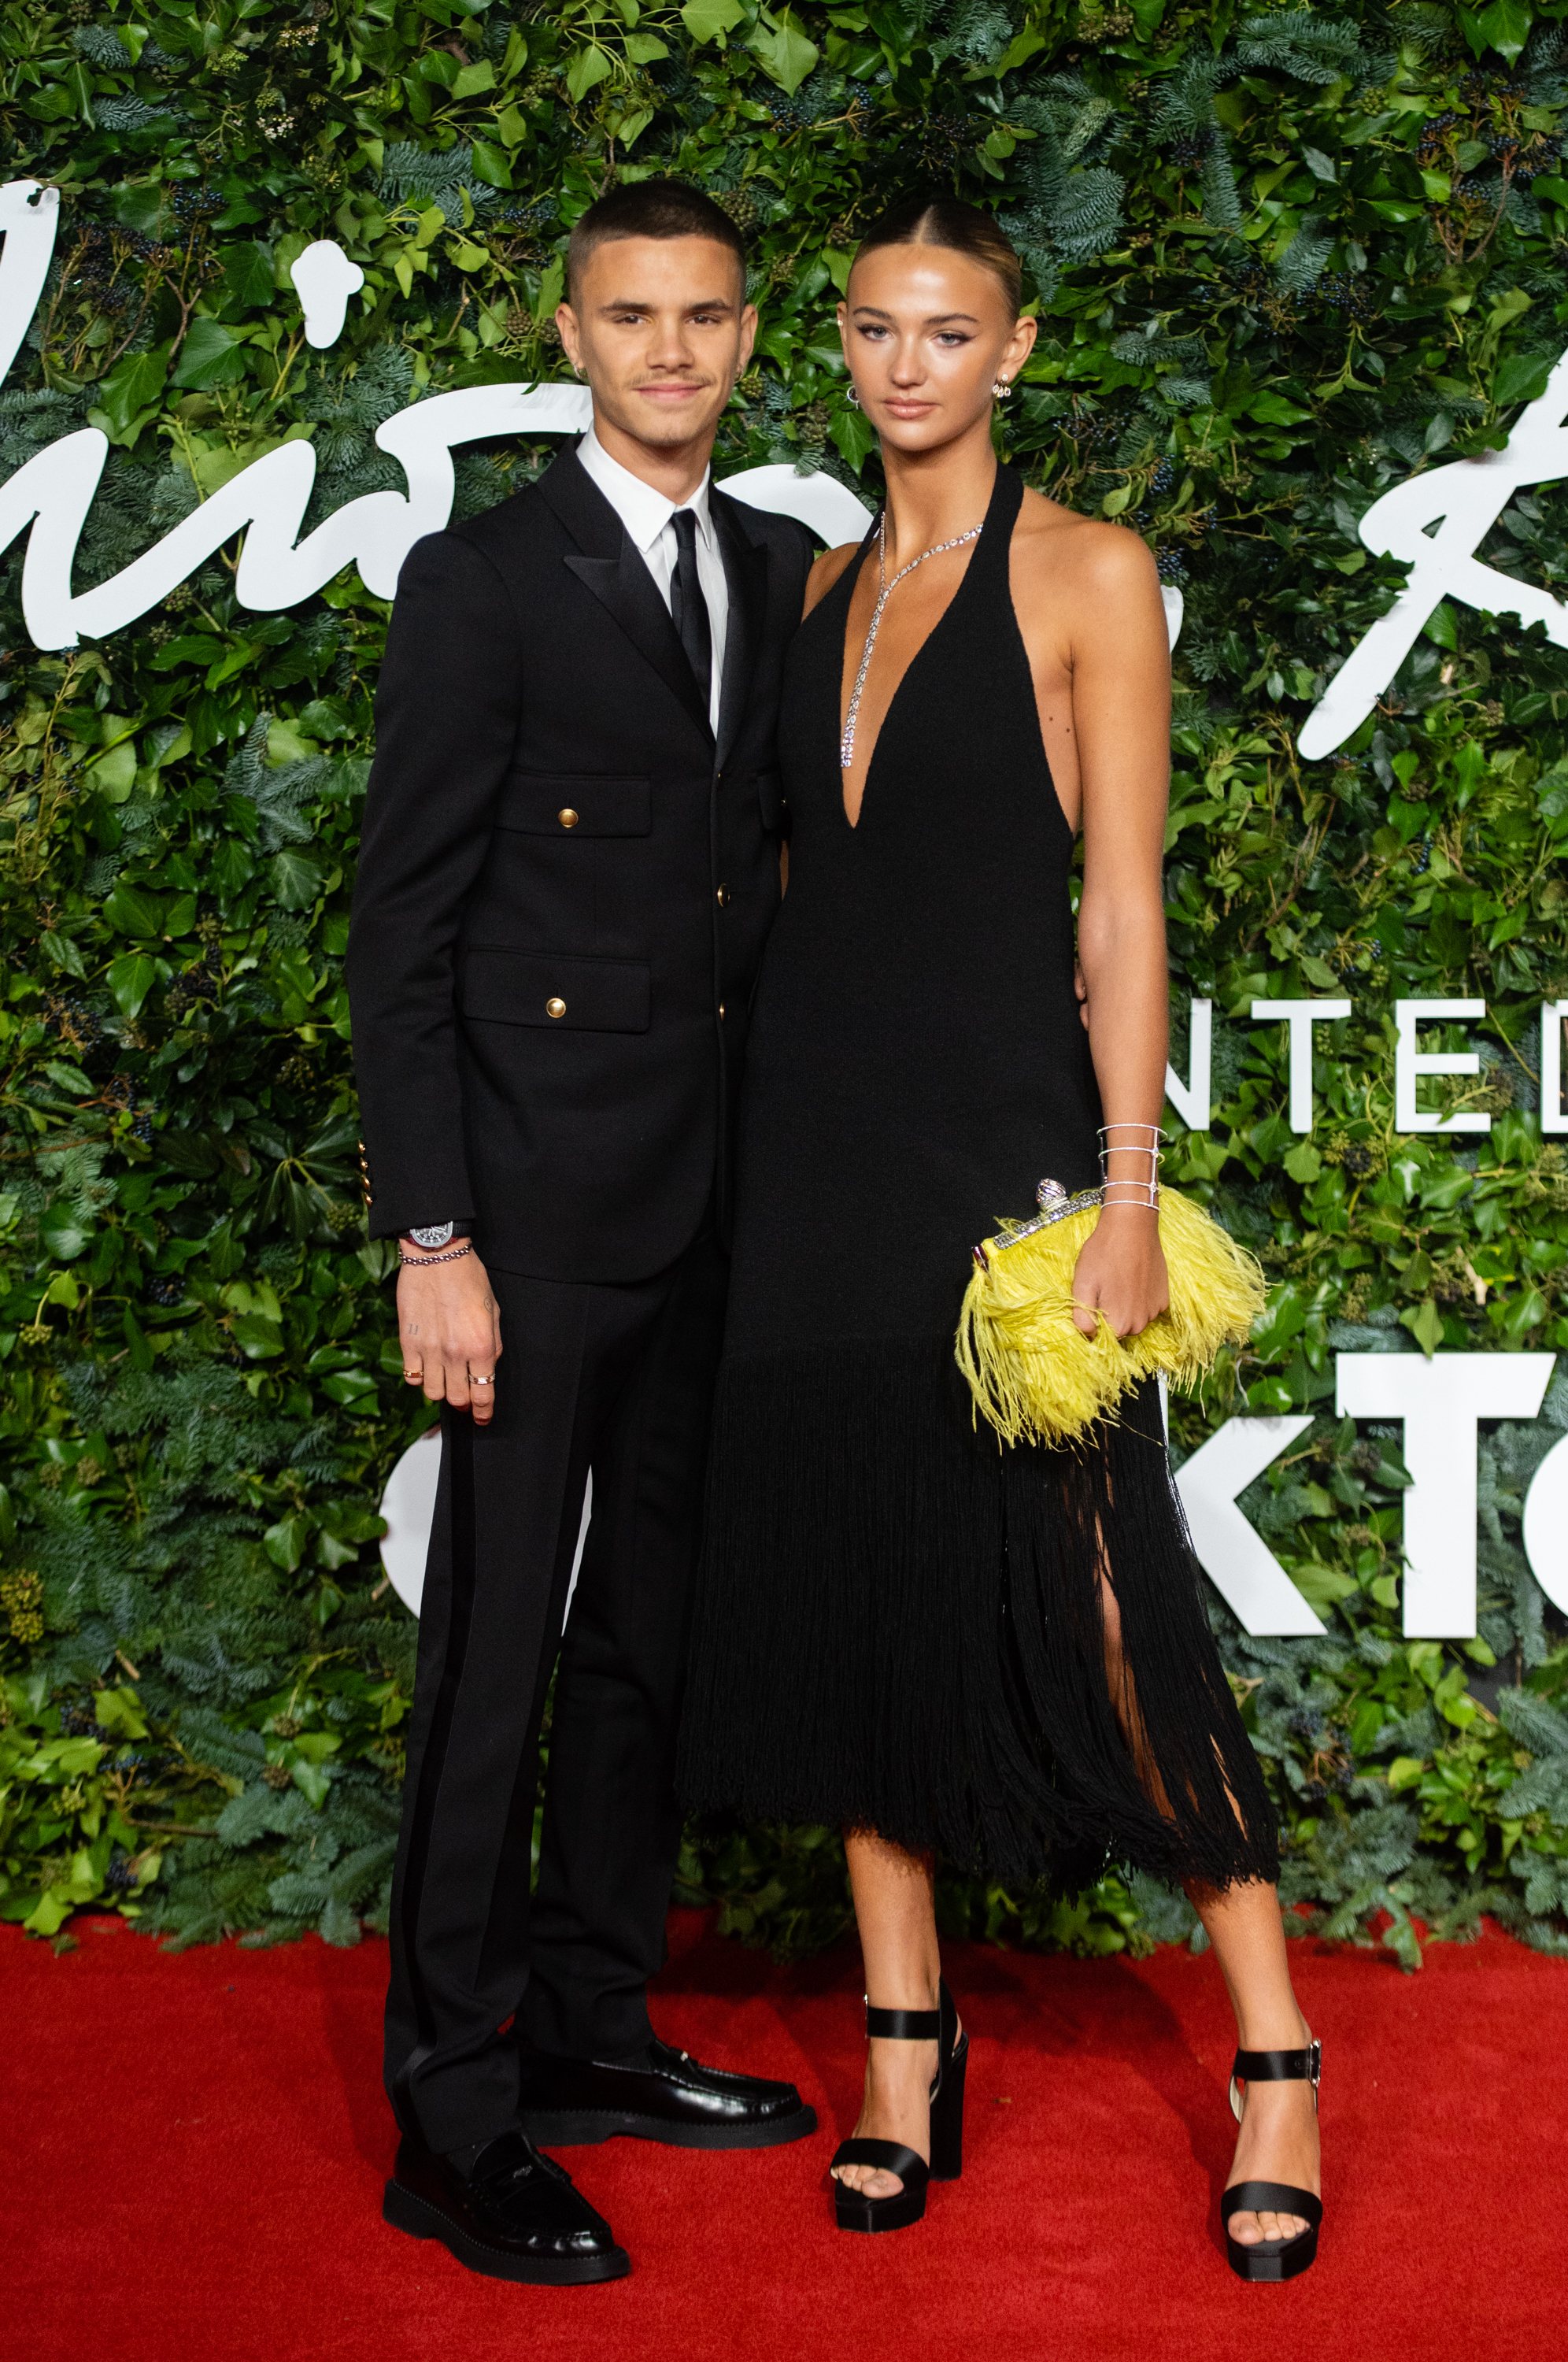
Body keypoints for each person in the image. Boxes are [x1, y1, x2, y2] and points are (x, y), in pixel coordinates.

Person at [678, 198, 1325, 2282]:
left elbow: (1121, 907)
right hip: (815, 1154)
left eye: (946, 334)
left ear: (1015, 351)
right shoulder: (809, 586)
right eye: (871, 331)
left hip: (1008, 1160)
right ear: (837, 348)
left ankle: (1279, 2057)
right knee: (865, 1582)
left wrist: (1128, 1189)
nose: (903, 368)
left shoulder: (1090, 574)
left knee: (1113, 1600)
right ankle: (901, 2036)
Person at [346, 178, 819, 2287]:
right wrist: (430, 1232)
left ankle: (597, 2036)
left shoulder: (787, 569)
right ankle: (452, 2113)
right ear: (568, 334)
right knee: (495, 1666)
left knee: (646, 1647)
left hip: (716, 1203)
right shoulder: (484, 582)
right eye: (632, 315)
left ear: (743, 336)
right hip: (528, 1216)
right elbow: (404, 930)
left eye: (706, 316)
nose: (671, 351)